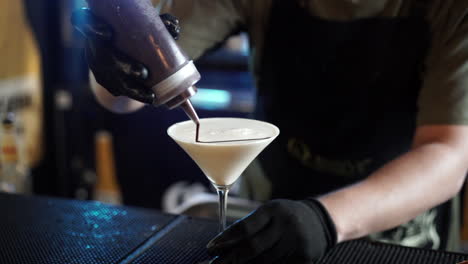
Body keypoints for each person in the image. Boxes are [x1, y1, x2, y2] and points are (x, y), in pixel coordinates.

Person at [71, 0, 468, 263]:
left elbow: (449, 152)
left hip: (399, 235)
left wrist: (325, 219)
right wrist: (115, 73)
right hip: (268, 217)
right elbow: (132, 90)